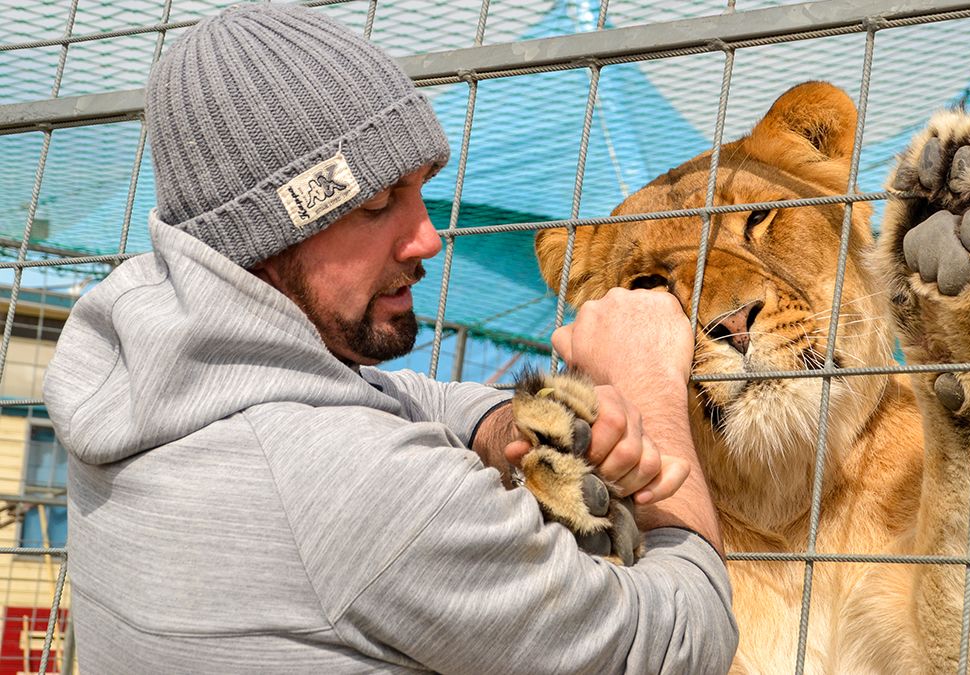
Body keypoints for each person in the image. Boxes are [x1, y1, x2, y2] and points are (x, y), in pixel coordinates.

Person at [41, 4, 737, 673]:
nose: (427, 236)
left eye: (419, 191)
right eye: (376, 205)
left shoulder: (146, 393)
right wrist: (652, 384)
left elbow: (388, 394)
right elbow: (678, 644)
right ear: (264, 239)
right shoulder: (367, 489)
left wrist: (507, 425)